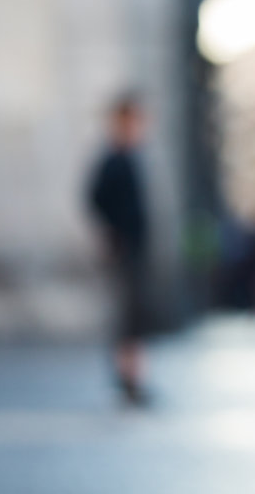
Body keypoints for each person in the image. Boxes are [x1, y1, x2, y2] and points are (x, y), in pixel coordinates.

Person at [86, 91, 153, 407]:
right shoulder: (114, 158)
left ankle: (133, 377)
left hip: (133, 248)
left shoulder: (127, 157)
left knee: (135, 317)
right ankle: (128, 379)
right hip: (125, 249)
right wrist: (113, 232)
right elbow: (95, 197)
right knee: (128, 317)